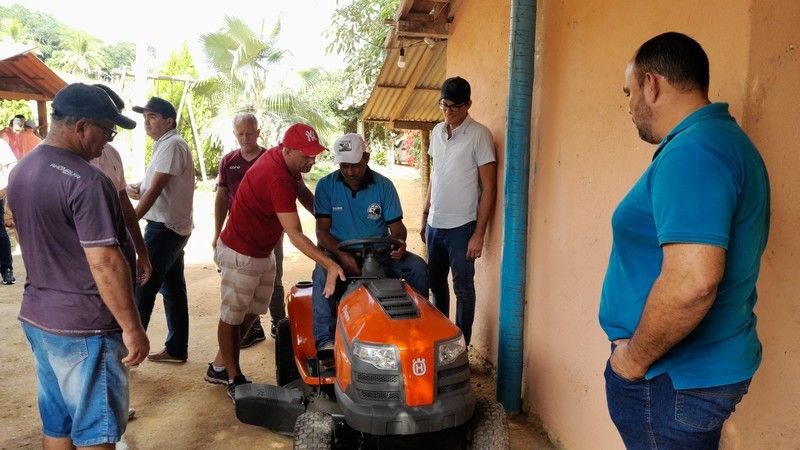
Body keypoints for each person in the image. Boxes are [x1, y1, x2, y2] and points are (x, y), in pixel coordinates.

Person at [600, 32, 770, 449]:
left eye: (629, 92)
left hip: (671, 379)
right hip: (688, 376)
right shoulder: (717, 141)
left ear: (651, 84)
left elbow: (693, 283)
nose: (629, 106)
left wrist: (631, 362)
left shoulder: (695, 152)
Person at [8, 82, 149, 448]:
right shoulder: (88, 182)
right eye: (107, 130)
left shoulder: (22, 170)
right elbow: (105, 263)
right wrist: (132, 327)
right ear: (82, 127)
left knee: (59, 423)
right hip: (86, 327)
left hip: (40, 318)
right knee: (95, 430)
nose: (108, 141)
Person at [210, 123, 344, 400]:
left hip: (262, 251)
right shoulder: (277, 177)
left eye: (314, 155)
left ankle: (220, 365)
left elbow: (303, 193)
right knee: (231, 316)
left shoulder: (286, 163)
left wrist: (330, 219)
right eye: (306, 156)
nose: (312, 161)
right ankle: (233, 377)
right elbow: (295, 234)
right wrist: (329, 264)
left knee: (252, 311)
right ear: (288, 150)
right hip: (240, 252)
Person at [312, 133, 428, 351]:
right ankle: (326, 342)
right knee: (322, 272)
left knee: (417, 267)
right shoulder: (326, 186)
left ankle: (417, 332)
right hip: (339, 253)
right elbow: (322, 232)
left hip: (379, 255)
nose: (349, 172)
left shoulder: (384, 186)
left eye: (354, 165)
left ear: (366, 157)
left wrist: (399, 242)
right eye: (344, 166)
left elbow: (397, 228)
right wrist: (342, 255)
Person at [420, 76, 497, 346]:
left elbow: (489, 187)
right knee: (436, 285)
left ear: (468, 105)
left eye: (455, 106)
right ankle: (440, 344)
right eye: (444, 105)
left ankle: (460, 348)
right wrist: (425, 214)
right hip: (435, 224)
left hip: (462, 227)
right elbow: (436, 175)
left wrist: (479, 234)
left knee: (463, 289)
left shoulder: (479, 135)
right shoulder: (437, 132)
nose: (448, 111)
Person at [126, 96, 194, 363]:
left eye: (152, 117)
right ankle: (176, 349)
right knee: (173, 290)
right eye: (145, 117)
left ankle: (130, 355)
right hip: (173, 227)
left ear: (169, 121)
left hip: (164, 229)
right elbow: (151, 187)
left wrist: (129, 221)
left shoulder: (172, 144)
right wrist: (137, 189)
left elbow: (155, 190)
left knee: (142, 289)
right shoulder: (165, 144)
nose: (146, 122)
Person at [211, 112, 284, 348]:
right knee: (241, 285)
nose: (245, 138)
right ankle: (253, 329)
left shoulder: (271, 158)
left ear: (258, 132)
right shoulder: (228, 161)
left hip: (268, 233)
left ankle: (279, 323)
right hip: (238, 234)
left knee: (273, 279)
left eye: (249, 133)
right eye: (240, 134)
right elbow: (222, 197)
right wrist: (216, 232)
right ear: (234, 134)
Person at [90, 84, 152, 286]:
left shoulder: (111, 154)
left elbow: (126, 208)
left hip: (117, 255)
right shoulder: (55, 165)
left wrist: (142, 252)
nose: (110, 136)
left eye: (113, 130)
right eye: (108, 129)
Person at [0, 138, 16, 285]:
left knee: (0, 232)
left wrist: (4, 190)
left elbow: (10, 168)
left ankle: (7, 269)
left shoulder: (1, 144)